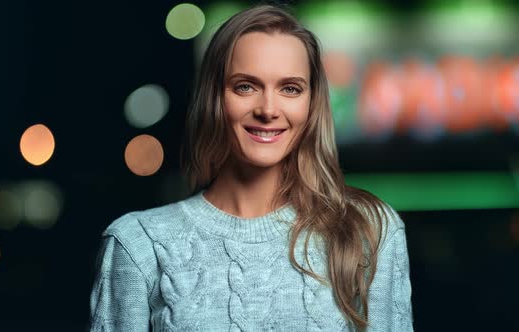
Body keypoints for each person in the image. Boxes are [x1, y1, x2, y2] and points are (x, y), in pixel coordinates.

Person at [89, 4, 413, 331]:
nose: (268, 109)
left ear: (312, 103)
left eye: (290, 88)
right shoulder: (138, 245)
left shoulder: (371, 230)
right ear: (214, 97)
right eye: (245, 86)